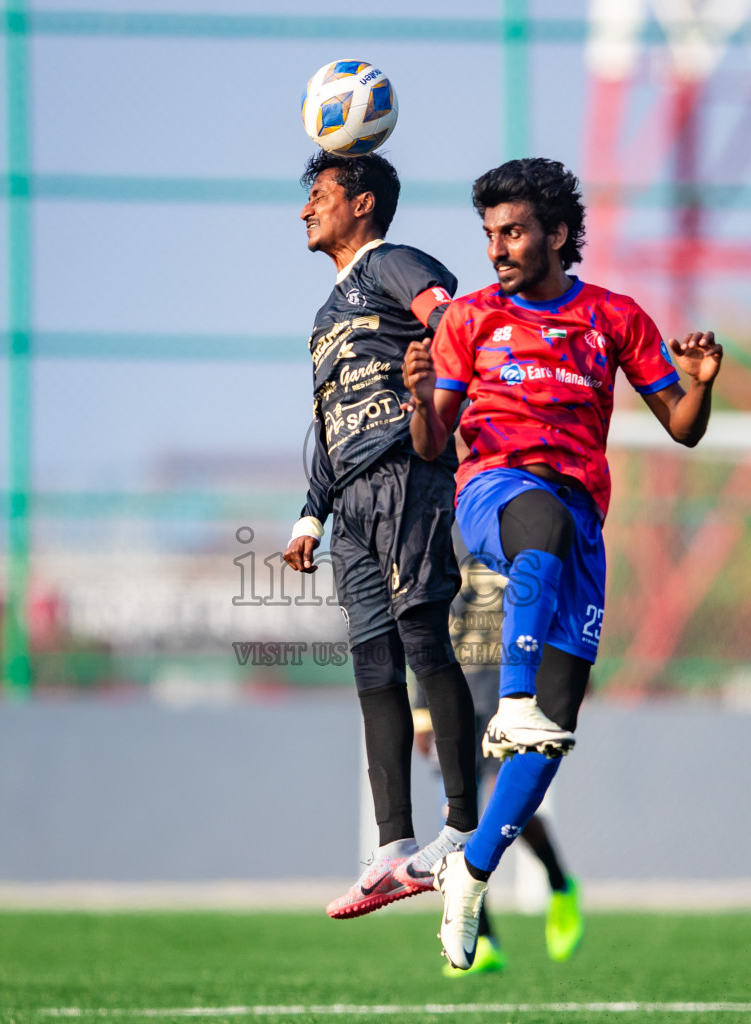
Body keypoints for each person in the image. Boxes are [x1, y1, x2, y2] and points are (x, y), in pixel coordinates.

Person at [399, 157, 722, 968]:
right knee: (535, 525)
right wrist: (417, 398)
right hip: (496, 497)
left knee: (554, 734)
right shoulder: (468, 319)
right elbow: (435, 444)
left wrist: (701, 382)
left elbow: (682, 426)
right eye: (490, 235)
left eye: (512, 232)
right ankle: (511, 699)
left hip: (581, 525)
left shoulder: (613, 318)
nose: (499, 248)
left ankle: (471, 877)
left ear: (559, 235)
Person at [282, 150, 481, 920]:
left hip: (409, 472)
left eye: (320, 195)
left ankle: (461, 829)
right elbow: (327, 428)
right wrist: (311, 511)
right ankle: (395, 847)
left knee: (424, 638)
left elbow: (450, 316)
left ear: (362, 203)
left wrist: (440, 375)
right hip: (352, 503)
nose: (305, 210)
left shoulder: (391, 262)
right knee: (373, 664)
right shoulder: (323, 322)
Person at [412, 539, 585, 976]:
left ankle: (560, 884)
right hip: (456, 692)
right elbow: (425, 623)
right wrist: (420, 711)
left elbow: (559, 603)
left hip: (514, 688)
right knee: (457, 814)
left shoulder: (525, 523)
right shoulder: (439, 531)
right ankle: (482, 938)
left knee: (506, 806)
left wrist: (572, 678)